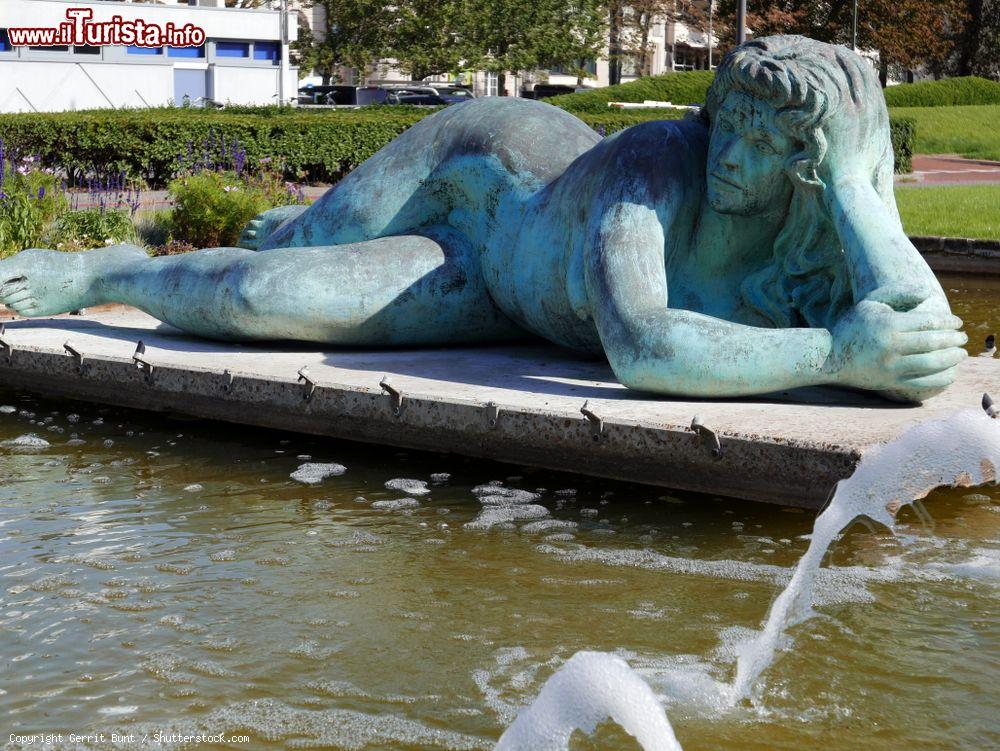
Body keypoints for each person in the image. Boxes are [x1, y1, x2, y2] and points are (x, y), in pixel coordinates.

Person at [0, 36, 966, 402]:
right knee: (270, 278)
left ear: (810, 163)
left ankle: (294, 224)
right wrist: (838, 354)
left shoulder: (817, 212)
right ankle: (104, 271)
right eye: (729, 125)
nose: (730, 154)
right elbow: (643, 350)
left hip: (501, 295)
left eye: (763, 145)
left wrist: (856, 183)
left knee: (270, 284)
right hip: (484, 188)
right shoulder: (653, 167)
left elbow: (925, 345)